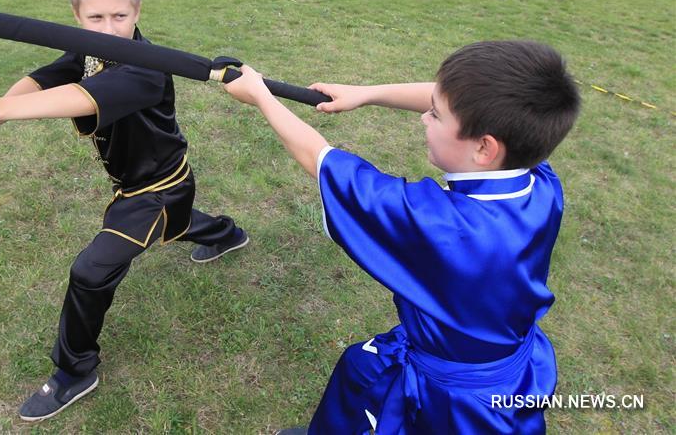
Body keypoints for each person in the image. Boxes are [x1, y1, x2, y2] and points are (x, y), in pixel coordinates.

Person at [0, 0, 249, 423]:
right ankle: (226, 234)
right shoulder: (90, 50)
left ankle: (74, 370)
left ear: (138, 11)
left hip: (157, 191)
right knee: (181, 224)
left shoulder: (147, 69)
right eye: (95, 18)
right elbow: (49, 76)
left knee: (91, 272)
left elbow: (80, 96)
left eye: (119, 16)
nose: (108, 29)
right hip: (152, 186)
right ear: (77, 17)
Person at [223, 39, 579, 435]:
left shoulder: (442, 225)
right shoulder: (539, 180)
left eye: (436, 115)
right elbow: (449, 95)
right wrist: (366, 94)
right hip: (509, 366)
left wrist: (260, 96)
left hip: (453, 402)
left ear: (484, 147)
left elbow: (323, 162)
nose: (424, 117)